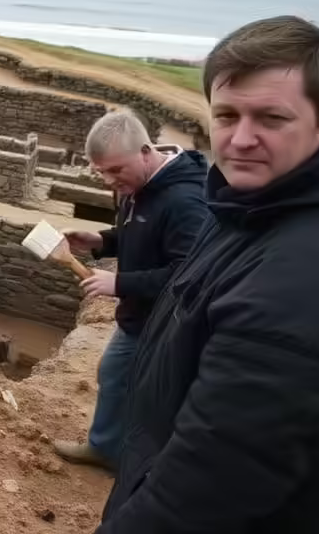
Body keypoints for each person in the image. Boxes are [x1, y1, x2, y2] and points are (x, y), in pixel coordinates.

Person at [97, 15, 319, 533]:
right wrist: (104, 242)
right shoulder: (247, 203)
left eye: (271, 118)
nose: (241, 139)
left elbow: (206, 489)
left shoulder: (306, 279)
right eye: (226, 114)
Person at [51, 110, 209, 469]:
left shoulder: (185, 202)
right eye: (100, 171)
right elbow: (142, 235)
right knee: (115, 375)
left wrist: (119, 283)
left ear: (145, 151)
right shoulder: (139, 186)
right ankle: (108, 449)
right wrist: (101, 241)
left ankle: (141, 463)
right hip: (141, 314)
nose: (109, 180)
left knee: (150, 393)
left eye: (115, 170)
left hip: (168, 324)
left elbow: (191, 274)